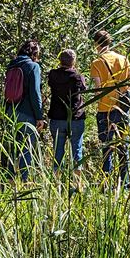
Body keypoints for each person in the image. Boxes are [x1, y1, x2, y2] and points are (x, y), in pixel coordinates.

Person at [90, 29, 130, 187]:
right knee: (123, 146)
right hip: (122, 109)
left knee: (107, 148)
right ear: (109, 42)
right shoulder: (123, 59)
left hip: (105, 109)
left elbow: (97, 90)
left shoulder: (96, 63)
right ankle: (125, 182)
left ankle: (106, 184)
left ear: (96, 44)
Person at [4, 38, 44, 181]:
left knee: (13, 148)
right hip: (27, 113)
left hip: (11, 111)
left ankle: (10, 180)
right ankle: (23, 181)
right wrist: (40, 116)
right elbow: (35, 93)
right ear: (34, 53)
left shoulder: (11, 65)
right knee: (27, 148)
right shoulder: (33, 67)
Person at [48, 49, 86, 184]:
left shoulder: (52, 75)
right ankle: (77, 184)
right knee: (77, 150)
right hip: (75, 117)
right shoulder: (77, 76)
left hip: (57, 118)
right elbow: (83, 89)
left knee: (58, 150)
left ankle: (57, 183)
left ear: (60, 61)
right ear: (73, 62)